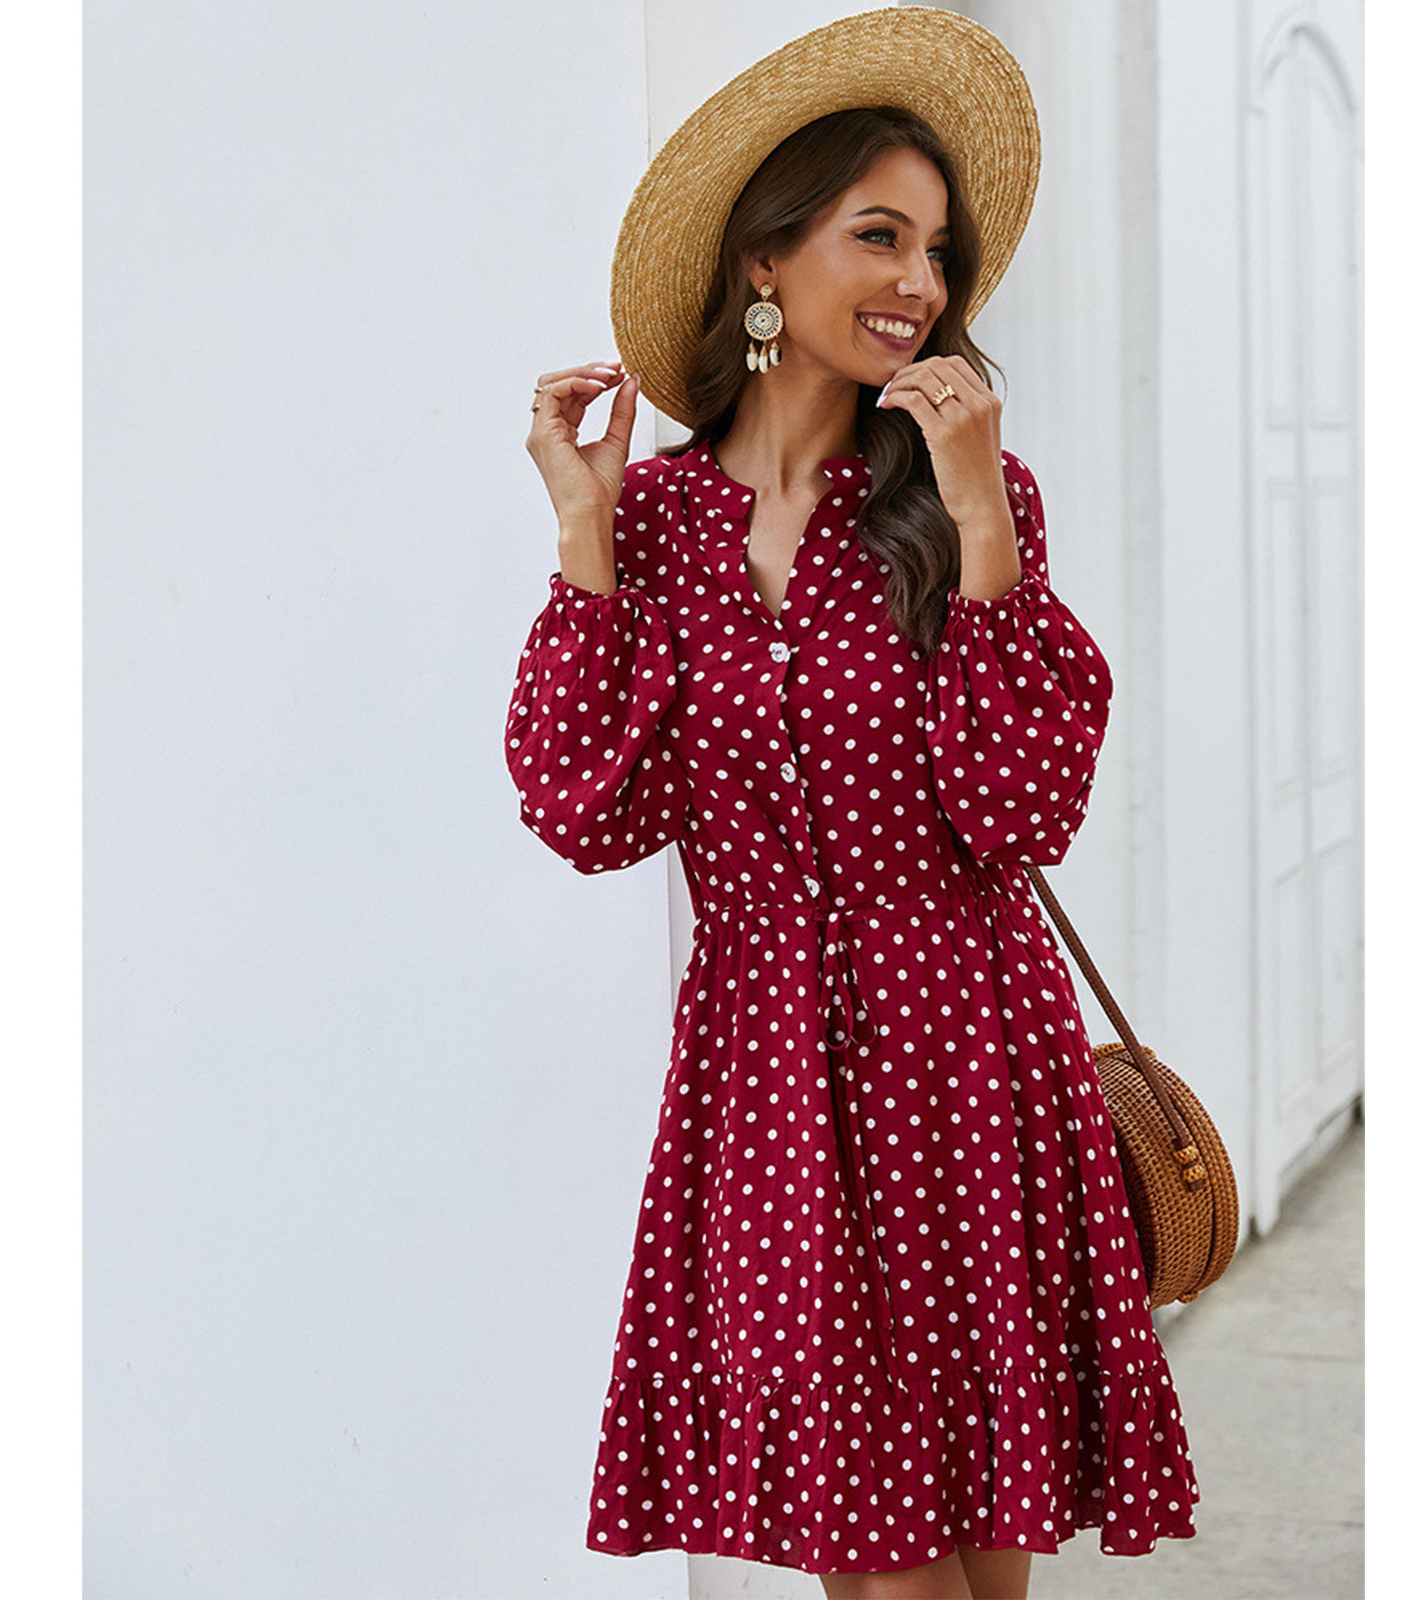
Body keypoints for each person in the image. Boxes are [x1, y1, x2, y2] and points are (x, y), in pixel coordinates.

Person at [504, 11, 1198, 1598]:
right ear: (765, 260)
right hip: (766, 1080)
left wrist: (980, 519)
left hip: (970, 1050)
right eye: (879, 236)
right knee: (868, 1548)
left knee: (979, 1543)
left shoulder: (966, 498)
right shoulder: (654, 523)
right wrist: (584, 542)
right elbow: (588, 815)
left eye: (936, 252)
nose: (919, 284)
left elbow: (1022, 813)